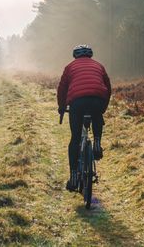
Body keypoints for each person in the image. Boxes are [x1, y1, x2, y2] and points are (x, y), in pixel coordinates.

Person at [57, 44, 111, 192]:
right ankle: (97, 143)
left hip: (77, 102)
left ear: (75, 55)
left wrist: (62, 107)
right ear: (90, 55)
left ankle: (74, 177)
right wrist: (102, 108)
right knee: (96, 115)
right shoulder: (99, 66)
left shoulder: (69, 67)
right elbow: (108, 86)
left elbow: (62, 89)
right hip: (97, 99)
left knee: (75, 138)